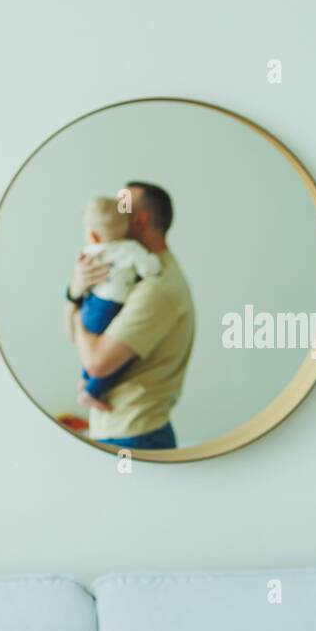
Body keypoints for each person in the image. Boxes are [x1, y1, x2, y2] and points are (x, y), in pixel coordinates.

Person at [65, 182, 195, 450]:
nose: (112, 213)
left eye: (121, 207)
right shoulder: (125, 272)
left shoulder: (158, 285)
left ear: (140, 220)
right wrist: (75, 291)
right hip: (118, 429)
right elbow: (73, 338)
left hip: (135, 436)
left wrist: (78, 313)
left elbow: (96, 363)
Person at [73, 196, 163, 403]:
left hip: (89, 305)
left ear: (93, 236)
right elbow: (150, 269)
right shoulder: (130, 249)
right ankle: (92, 391)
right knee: (116, 360)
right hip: (110, 308)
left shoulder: (87, 251)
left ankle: (84, 377)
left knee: (91, 348)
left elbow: (78, 288)